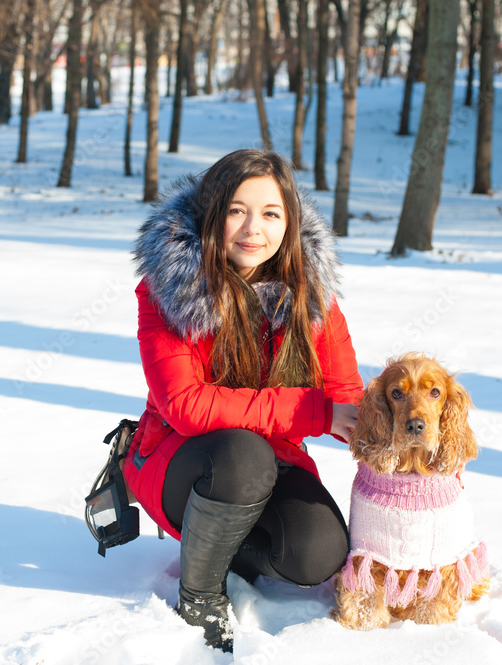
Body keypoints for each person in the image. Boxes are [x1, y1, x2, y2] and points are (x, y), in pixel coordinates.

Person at [122, 149, 364, 652]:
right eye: (237, 210)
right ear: (213, 213)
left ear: (289, 222)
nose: (254, 229)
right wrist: (314, 412)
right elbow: (186, 405)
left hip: (275, 460)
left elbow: (348, 399)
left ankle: (221, 542)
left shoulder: (311, 294)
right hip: (182, 460)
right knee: (242, 454)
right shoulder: (171, 287)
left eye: (271, 214)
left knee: (319, 552)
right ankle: (200, 594)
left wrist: (412, 456)